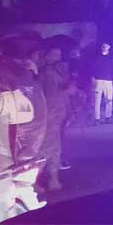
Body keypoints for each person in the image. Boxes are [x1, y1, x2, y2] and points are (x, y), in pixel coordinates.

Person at [39, 46, 71, 191]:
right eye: (54, 54)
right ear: (46, 55)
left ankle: (53, 179)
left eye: (59, 54)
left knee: (53, 145)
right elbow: (50, 95)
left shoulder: (56, 70)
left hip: (57, 113)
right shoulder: (47, 72)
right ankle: (38, 180)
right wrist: (66, 90)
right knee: (47, 147)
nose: (57, 57)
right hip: (50, 114)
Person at [91, 43, 113, 125]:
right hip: (99, 80)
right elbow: (93, 68)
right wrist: (93, 78)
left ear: (109, 47)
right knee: (97, 100)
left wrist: (112, 78)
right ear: (101, 47)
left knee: (109, 100)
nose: (104, 48)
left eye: (106, 46)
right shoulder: (97, 57)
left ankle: (108, 117)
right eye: (103, 46)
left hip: (108, 81)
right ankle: (97, 118)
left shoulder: (112, 58)